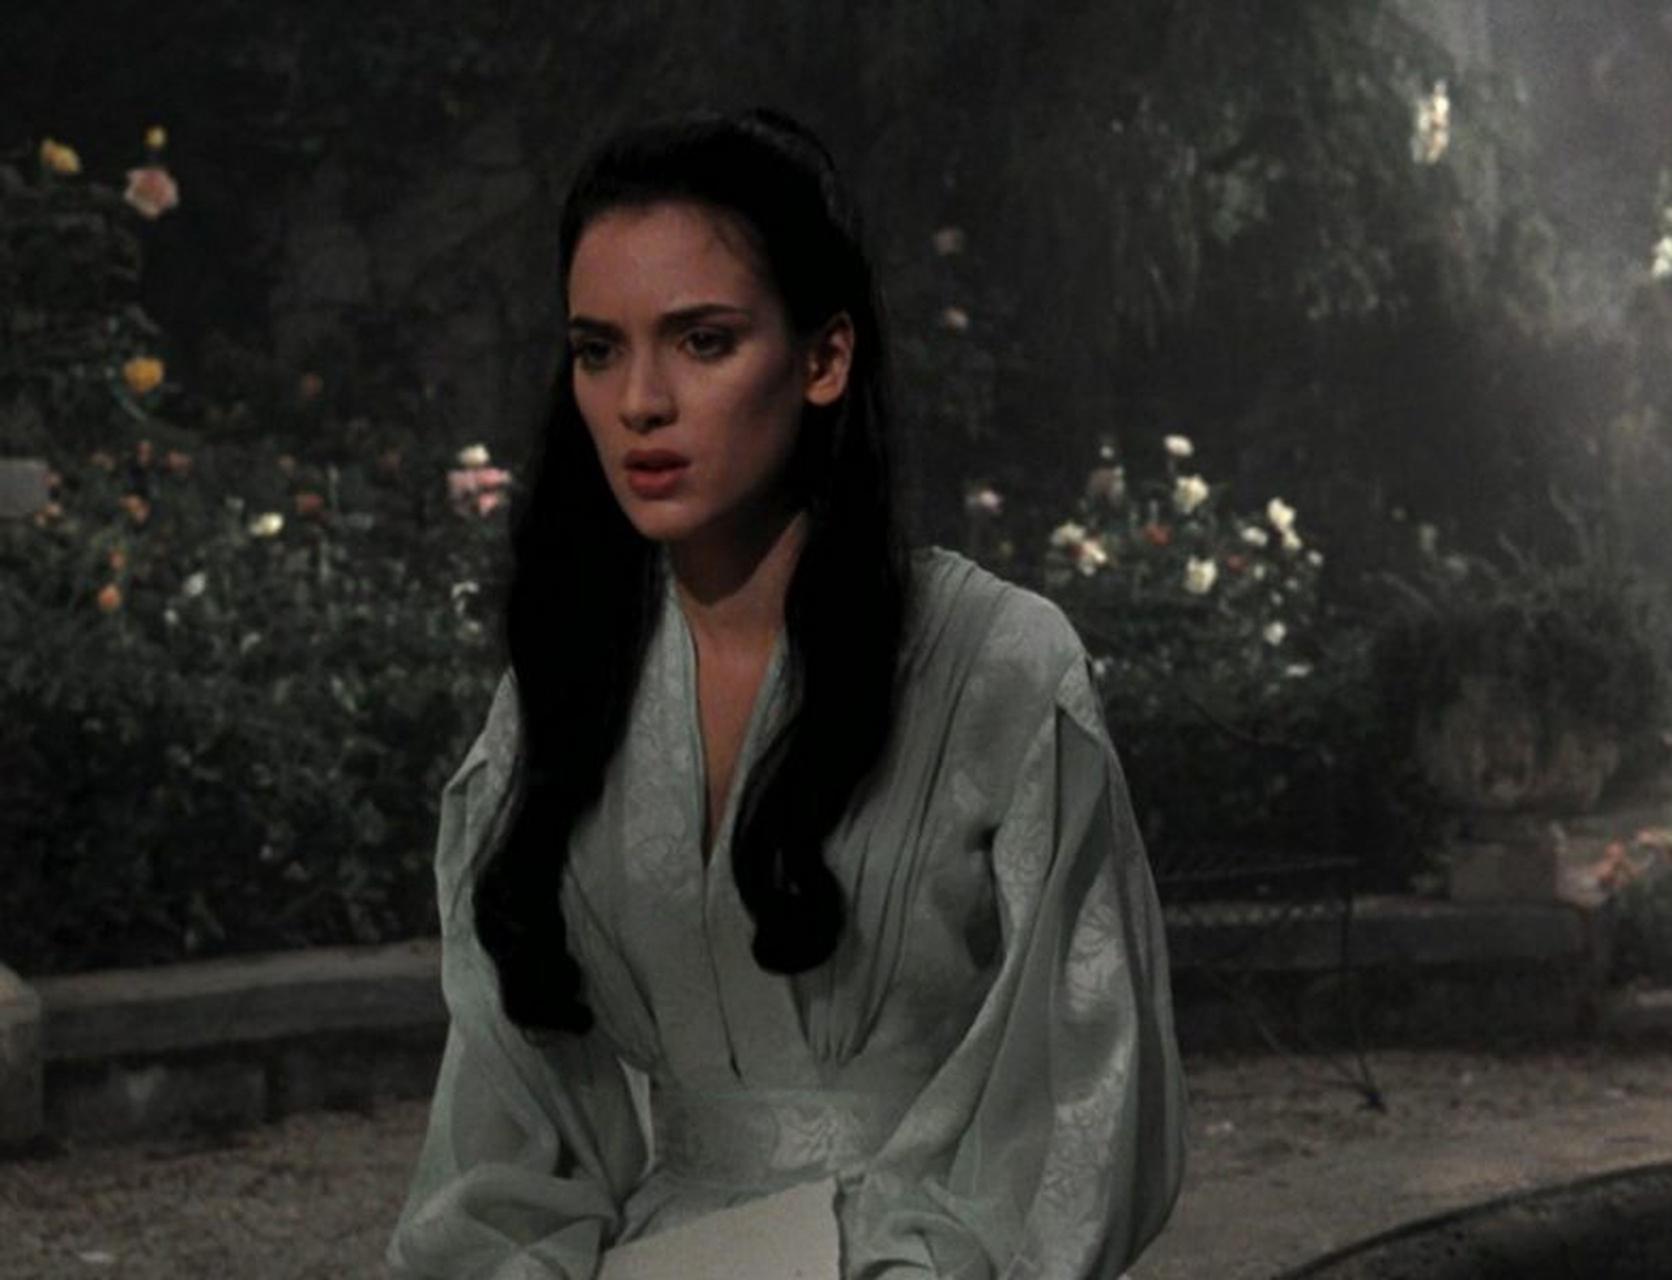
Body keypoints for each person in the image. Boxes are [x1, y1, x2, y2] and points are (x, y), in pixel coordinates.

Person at [387, 106, 1186, 1279]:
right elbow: (506, 1133)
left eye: (702, 340)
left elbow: (1080, 1090)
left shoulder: (999, 667)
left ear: (823, 358)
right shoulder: (559, 694)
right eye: (599, 349)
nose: (640, 400)